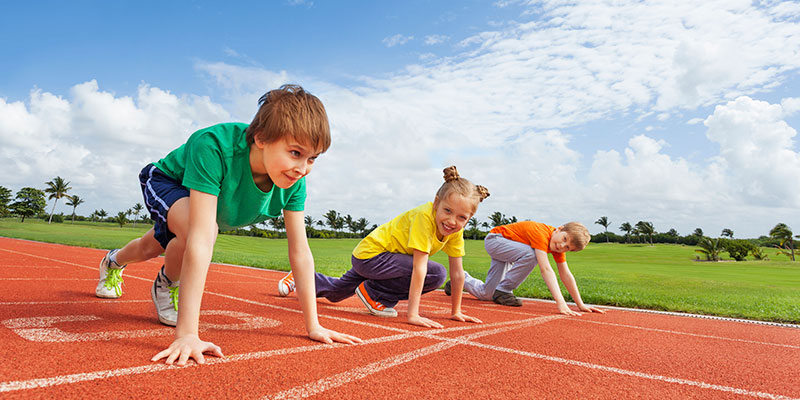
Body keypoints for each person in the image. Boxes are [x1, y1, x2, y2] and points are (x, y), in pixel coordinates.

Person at [95, 84, 362, 366]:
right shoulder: (212, 147)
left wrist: (314, 326)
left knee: (151, 246)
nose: (303, 168)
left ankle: (113, 261)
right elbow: (200, 237)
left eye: (312, 159)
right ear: (260, 138)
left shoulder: (294, 181)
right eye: (295, 153)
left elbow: (300, 252)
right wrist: (187, 334)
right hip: (167, 180)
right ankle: (167, 284)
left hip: (203, 210)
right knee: (201, 233)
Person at [278, 166, 489, 328]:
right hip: (372, 257)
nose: (452, 221)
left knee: (336, 293)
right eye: (447, 210)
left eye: (462, 217)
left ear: (469, 217)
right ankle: (375, 294)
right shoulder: (425, 217)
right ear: (436, 203)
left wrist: (457, 311)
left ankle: (300, 277)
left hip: (386, 262)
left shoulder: (455, 230)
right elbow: (419, 268)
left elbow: (459, 273)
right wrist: (412, 315)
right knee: (436, 274)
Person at [446, 221, 604, 316]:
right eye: (564, 239)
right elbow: (546, 270)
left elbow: (565, 274)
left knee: (487, 294)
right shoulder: (541, 233)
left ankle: (459, 281)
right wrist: (561, 303)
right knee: (532, 254)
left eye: (567, 247)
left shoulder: (556, 247)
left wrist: (580, 304)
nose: (562, 246)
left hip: (509, 248)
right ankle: (504, 290)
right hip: (496, 240)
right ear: (559, 229)